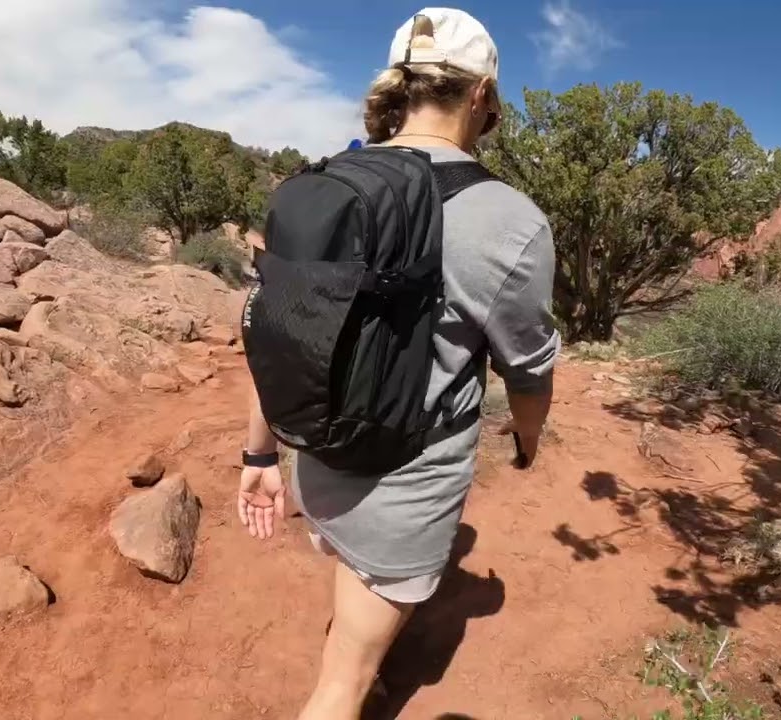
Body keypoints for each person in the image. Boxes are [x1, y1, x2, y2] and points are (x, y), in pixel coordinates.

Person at [236, 8, 560, 718]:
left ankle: (364, 653)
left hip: (313, 459)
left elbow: (283, 328)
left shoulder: (327, 184)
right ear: (481, 97)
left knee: (352, 597)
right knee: (339, 686)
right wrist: (529, 441)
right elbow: (528, 372)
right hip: (404, 481)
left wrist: (258, 456)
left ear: (402, 84)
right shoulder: (511, 220)